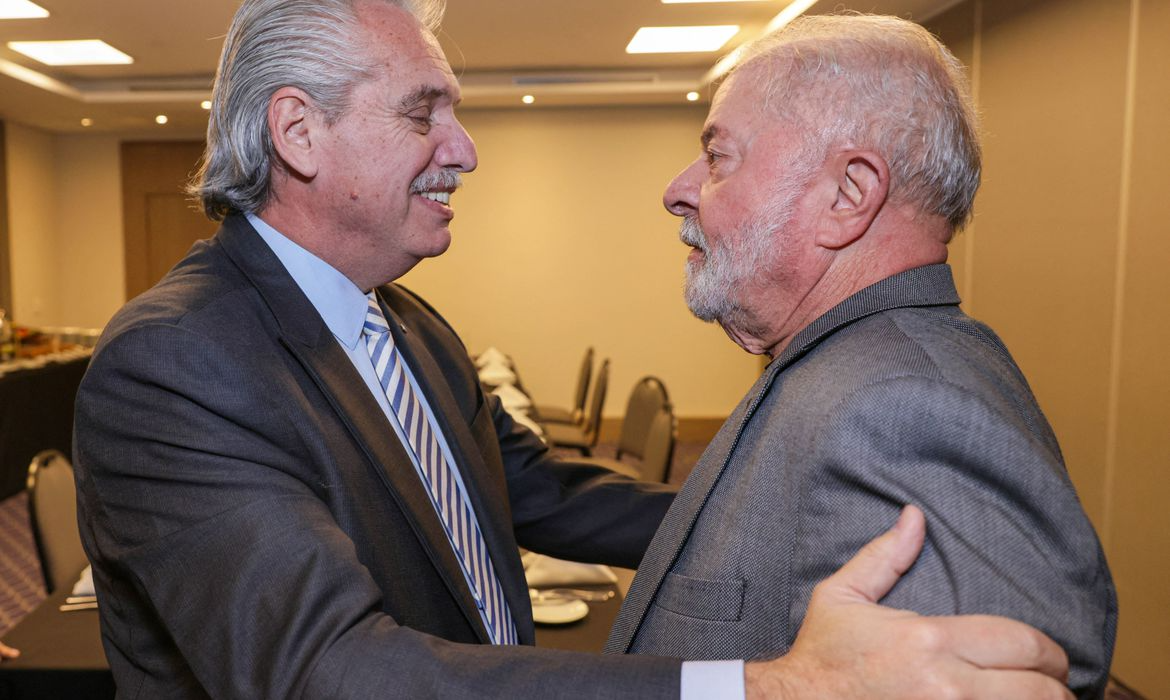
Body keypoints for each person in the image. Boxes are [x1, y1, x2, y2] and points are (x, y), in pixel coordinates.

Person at [70, 0, 1073, 697]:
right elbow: (326, 671)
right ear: (299, 131)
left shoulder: (408, 324)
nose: (464, 148)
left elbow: (535, 490)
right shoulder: (176, 361)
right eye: (426, 111)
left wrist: (768, 511)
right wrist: (770, 687)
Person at [604, 13, 1117, 700]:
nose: (679, 188)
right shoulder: (844, 364)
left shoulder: (900, 412)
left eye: (719, 156)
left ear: (849, 195)